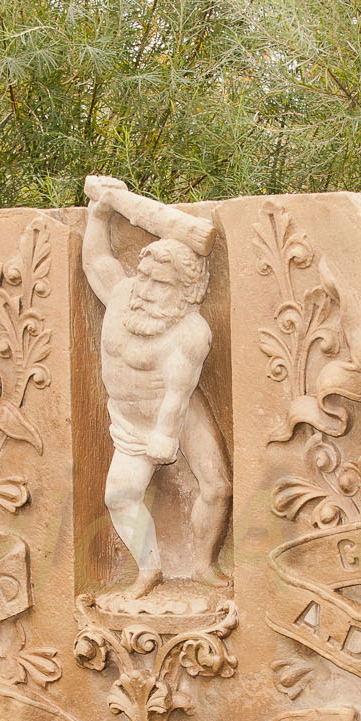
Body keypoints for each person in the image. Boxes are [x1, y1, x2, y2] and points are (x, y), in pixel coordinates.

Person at [82, 176, 228, 598]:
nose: (144, 289)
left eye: (159, 283)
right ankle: (149, 570)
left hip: (173, 413)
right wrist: (99, 214)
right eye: (143, 275)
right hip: (129, 418)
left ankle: (203, 566)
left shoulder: (190, 331)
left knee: (217, 486)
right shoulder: (122, 295)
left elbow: (178, 395)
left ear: (186, 291)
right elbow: (96, 261)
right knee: (119, 496)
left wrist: (165, 436)